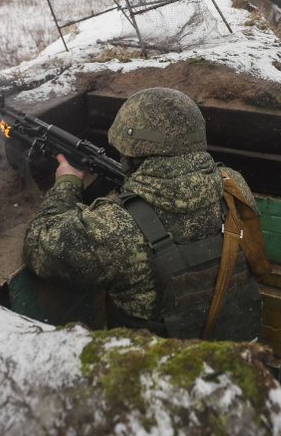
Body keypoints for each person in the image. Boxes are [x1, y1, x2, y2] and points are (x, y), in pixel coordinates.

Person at [23, 87, 267, 341]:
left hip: (160, 369)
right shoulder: (232, 184)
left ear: (131, 149)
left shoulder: (115, 225)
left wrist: (67, 183)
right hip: (243, 353)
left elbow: (39, 247)